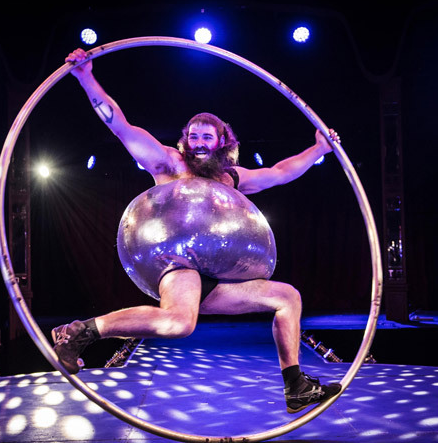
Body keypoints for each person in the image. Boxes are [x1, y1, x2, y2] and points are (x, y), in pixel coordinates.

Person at [52, 48, 342, 414]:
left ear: (222, 142)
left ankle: (296, 386)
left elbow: (282, 171)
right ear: (184, 141)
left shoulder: (230, 179)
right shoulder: (169, 163)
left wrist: (319, 148)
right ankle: (80, 332)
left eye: (208, 137)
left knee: (287, 297)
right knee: (178, 323)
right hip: (178, 262)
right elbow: (119, 125)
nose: (200, 143)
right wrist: (85, 77)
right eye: (194, 137)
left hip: (215, 275)